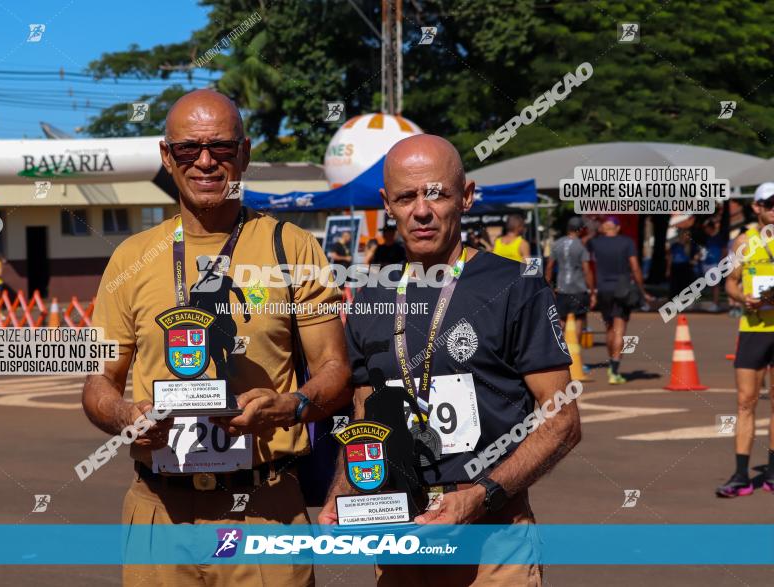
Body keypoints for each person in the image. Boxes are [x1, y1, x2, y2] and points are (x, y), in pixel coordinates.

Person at [82, 89, 352, 586]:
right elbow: (99, 380)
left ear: (244, 153)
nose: (205, 162)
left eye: (222, 148)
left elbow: (336, 372)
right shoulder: (130, 258)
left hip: (265, 511)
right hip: (159, 511)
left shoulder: (293, 247)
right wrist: (124, 415)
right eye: (188, 149)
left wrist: (287, 406)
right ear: (168, 157)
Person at [319, 135, 581, 586]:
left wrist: (479, 496)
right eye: (406, 196)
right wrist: (341, 494)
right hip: (400, 535)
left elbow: (561, 421)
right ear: (388, 203)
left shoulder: (516, 287)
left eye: (436, 193)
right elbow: (364, 413)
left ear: (466, 196)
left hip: (491, 539)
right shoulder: (370, 296)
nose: (422, 210)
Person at [717, 182, 774, 497]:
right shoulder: (743, 241)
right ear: (757, 208)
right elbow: (731, 283)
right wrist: (744, 299)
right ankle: (741, 475)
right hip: (753, 330)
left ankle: (772, 474)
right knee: (745, 403)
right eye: (770, 204)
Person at [586, 216, 653, 385]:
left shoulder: (596, 243)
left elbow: (584, 247)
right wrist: (642, 289)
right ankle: (614, 370)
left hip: (603, 289)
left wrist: (593, 290)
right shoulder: (627, 242)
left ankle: (611, 362)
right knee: (619, 329)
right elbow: (635, 266)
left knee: (609, 327)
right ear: (617, 228)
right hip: (622, 289)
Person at [545, 216, 594, 339]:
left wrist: (548, 286)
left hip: (562, 289)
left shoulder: (557, 243)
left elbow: (550, 267)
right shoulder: (581, 246)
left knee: (561, 320)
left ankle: (560, 349)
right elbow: (587, 270)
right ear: (581, 230)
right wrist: (592, 290)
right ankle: (574, 350)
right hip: (578, 289)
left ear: (568, 228)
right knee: (578, 319)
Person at [666, 229, 701, 300]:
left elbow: (698, 254)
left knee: (685, 286)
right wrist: (668, 269)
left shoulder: (691, 246)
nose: (687, 237)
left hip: (686, 268)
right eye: (685, 235)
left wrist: (694, 260)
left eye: (688, 235)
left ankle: (685, 300)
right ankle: (673, 302)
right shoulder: (675, 245)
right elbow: (670, 258)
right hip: (675, 268)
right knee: (674, 286)